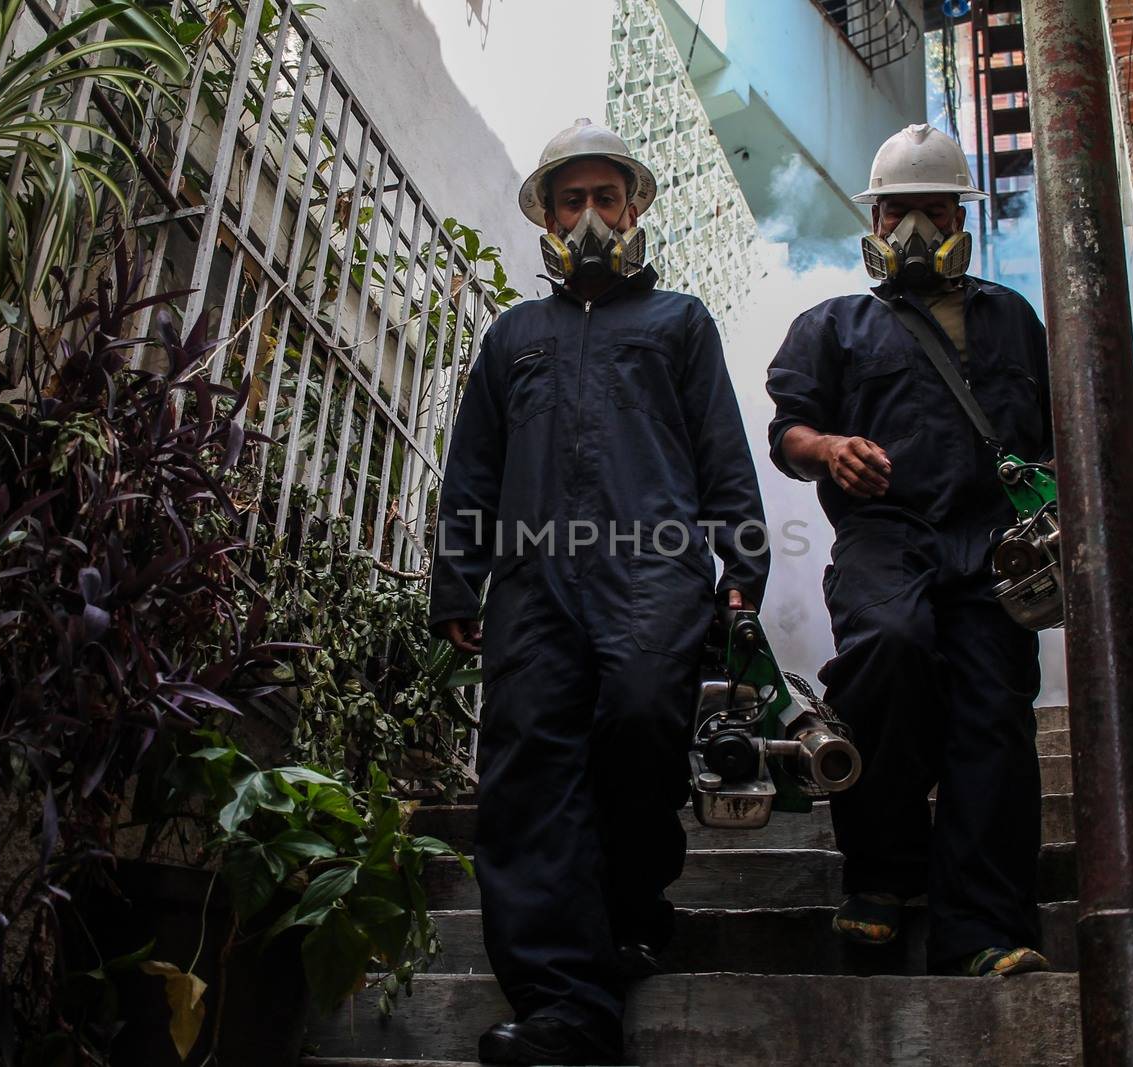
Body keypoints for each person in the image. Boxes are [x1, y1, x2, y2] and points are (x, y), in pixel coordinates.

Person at [430, 118, 769, 1065]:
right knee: (530, 769)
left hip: (653, 571)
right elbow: (474, 470)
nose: (588, 217)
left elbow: (722, 459)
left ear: (634, 209)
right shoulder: (513, 338)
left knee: (638, 720)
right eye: (570, 200)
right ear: (547, 218)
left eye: (604, 199)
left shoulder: (680, 323)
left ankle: (632, 899)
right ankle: (563, 1004)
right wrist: (457, 577)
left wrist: (743, 572)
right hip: (533, 582)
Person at [765, 123, 1053, 978]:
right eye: (901, 214)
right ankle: (883, 874)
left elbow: (1057, 437)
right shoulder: (835, 324)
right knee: (888, 649)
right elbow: (788, 428)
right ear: (875, 220)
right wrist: (829, 449)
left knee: (992, 713)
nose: (917, 232)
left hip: (995, 543)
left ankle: (983, 929)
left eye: (935, 212)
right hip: (885, 534)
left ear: (959, 216)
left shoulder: (1014, 319)